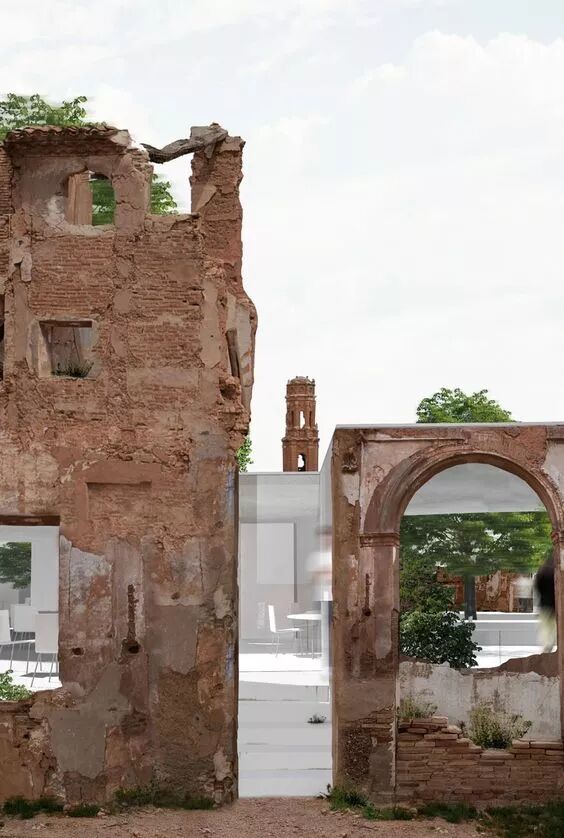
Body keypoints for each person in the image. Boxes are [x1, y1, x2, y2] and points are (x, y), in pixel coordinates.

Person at [533, 555, 556, 652]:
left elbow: (537, 587)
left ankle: (547, 645)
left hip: (544, 604)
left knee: (546, 626)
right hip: (554, 605)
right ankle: (551, 642)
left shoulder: (541, 572)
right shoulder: (556, 572)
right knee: (553, 626)